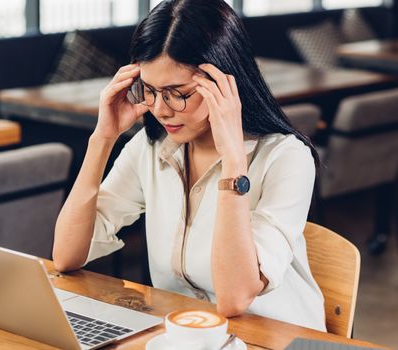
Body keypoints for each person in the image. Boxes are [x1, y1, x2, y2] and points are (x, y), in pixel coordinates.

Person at [53, 0, 326, 331]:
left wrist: (233, 161)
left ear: (225, 84)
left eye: (177, 93)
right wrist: (102, 139)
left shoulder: (287, 158)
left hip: (275, 337)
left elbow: (233, 298)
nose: (161, 110)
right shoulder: (152, 149)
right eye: (149, 91)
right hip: (191, 335)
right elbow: (66, 255)